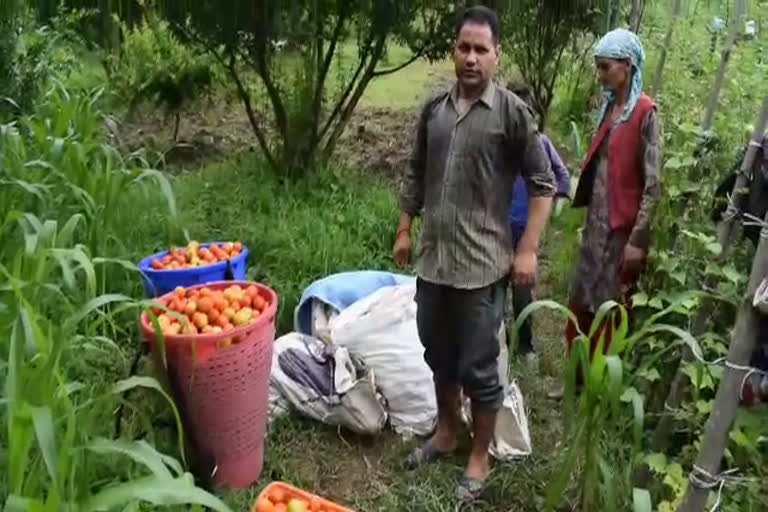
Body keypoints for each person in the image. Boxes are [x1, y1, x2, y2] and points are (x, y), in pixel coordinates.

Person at [393, 5, 556, 501]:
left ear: (496, 54)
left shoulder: (511, 113)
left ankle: (479, 455)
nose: (470, 58)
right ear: (453, 51)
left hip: (483, 268)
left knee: (482, 370)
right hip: (434, 263)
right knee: (438, 353)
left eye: (481, 49)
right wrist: (405, 228)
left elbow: (543, 183)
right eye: (463, 47)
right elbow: (416, 172)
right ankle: (446, 431)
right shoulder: (434, 111)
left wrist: (527, 249)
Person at [554, 28, 661, 398]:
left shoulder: (645, 113)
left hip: (622, 232)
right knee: (582, 296)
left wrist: (638, 239)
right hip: (597, 225)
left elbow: (653, 184)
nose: (600, 75)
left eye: (605, 67)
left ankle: (598, 386)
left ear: (627, 67)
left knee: (610, 304)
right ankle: (574, 379)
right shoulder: (609, 110)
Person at [506, 83, 571, 368]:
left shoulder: (540, 144)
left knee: (522, 290)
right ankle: (496, 343)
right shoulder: (495, 142)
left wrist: (543, 206)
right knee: (490, 289)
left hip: (525, 231)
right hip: (494, 228)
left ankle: (525, 345)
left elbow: (563, 178)